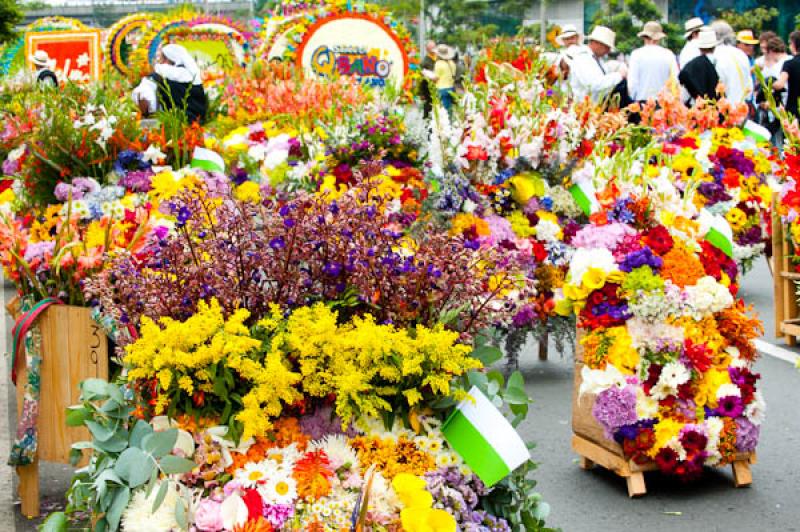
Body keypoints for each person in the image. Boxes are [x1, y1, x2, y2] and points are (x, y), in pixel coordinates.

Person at [132, 44, 208, 124]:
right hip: (196, 127)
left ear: (167, 60)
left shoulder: (159, 75)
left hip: (171, 127)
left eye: (161, 59)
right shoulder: (195, 78)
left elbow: (143, 97)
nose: (159, 62)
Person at [568, 26, 627, 103]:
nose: (608, 51)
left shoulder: (597, 59)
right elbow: (594, 84)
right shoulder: (583, 58)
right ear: (596, 43)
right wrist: (619, 75)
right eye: (606, 47)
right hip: (583, 109)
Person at [628, 21, 679, 102]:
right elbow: (675, 80)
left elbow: (632, 84)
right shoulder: (668, 54)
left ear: (644, 37)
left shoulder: (636, 55)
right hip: (664, 104)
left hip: (642, 103)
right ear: (659, 38)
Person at [755, 36, 790, 144]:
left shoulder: (780, 65)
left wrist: (763, 82)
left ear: (771, 51)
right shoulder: (791, 60)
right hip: (788, 105)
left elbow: (778, 86)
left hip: (779, 107)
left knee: (777, 140)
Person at [710, 20, 754, 104]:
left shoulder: (715, 55)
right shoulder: (741, 55)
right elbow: (749, 85)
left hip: (723, 107)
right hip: (741, 107)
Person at [679, 29, 720, 103]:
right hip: (718, 105)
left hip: (698, 105)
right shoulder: (721, 61)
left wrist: (695, 94)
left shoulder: (692, 64)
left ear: (699, 48)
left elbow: (682, 76)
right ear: (714, 47)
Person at [773, 31, 800, 119]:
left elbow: (780, 84)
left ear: (794, 44)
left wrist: (768, 83)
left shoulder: (789, 64)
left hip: (793, 110)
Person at [433, 44, 457, 112]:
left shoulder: (438, 63)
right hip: (451, 88)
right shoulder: (452, 63)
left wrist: (428, 75)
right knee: (449, 110)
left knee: (442, 111)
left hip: (441, 89)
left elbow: (436, 78)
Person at [420, 40, 437, 118]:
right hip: (428, 88)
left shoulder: (439, 58)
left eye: (434, 47)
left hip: (438, 87)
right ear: (427, 49)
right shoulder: (425, 62)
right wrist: (422, 93)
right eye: (431, 48)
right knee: (429, 105)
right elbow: (422, 78)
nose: (433, 49)